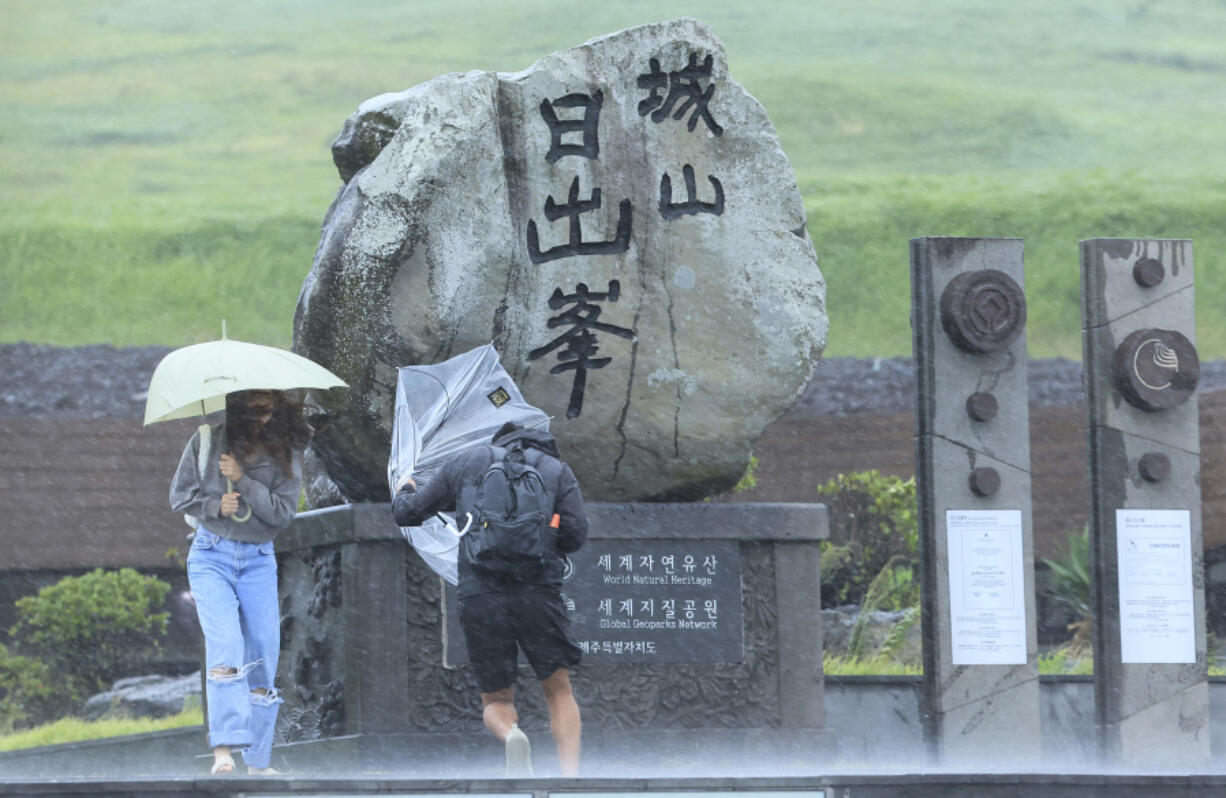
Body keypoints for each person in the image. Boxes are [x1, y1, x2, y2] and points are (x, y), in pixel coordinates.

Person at [393, 422, 588, 777]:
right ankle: (570, 777)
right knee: (559, 691)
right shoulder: (555, 470)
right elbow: (575, 536)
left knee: (497, 699)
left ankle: (511, 733)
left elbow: (408, 513)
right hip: (538, 593)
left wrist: (405, 490)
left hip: (482, 593)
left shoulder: (467, 461)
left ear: (499, 440)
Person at [170, 389, 310, 775]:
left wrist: (242, 482)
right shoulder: (206, 441)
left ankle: (259, 761)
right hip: (211, 555)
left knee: (263, 652)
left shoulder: (285, 452)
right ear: (237, 408)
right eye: (254, 409)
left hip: (258, 560)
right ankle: (223, 752)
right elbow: (179, 495)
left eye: (268, 409)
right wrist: (216, 505)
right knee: (226, 647)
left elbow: (282, 515)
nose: (262, 418)